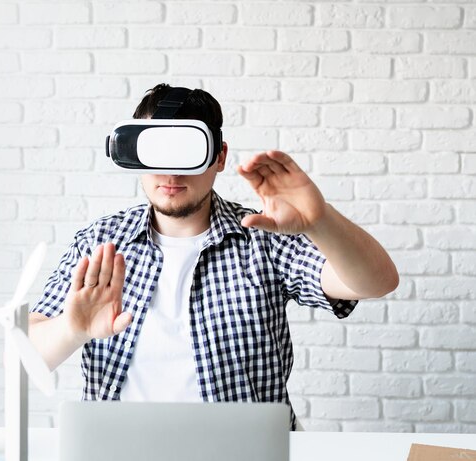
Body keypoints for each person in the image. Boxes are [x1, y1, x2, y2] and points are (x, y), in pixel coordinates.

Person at [29, 84, 399, 430]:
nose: (171, 172)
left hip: (245, 452)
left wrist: (320, 221)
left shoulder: (264, 237)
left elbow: (377, 282)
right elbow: (24, 355)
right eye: (158, 153)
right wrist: (72, 329)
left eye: (187, 154)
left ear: (218, 156)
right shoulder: (101, 242)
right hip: (119, 448)